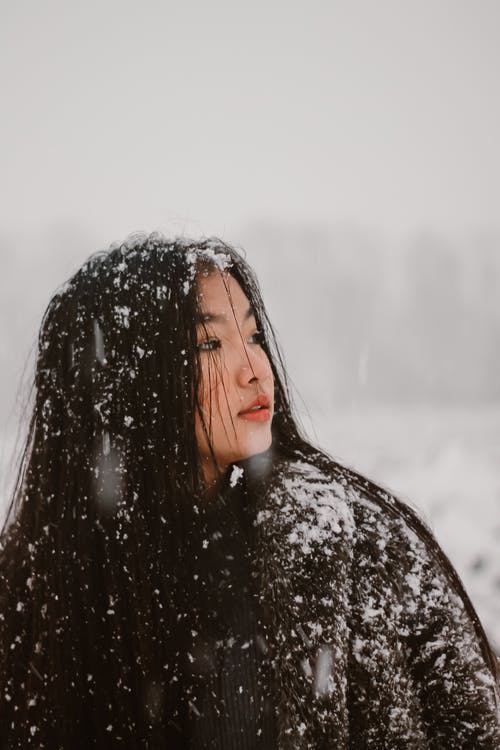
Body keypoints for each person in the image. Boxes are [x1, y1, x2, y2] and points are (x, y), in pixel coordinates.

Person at [0, 233, 498, 749]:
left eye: (255, 337)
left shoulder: (357, 547)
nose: (254, 368)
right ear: (128, 381)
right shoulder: (41, 598)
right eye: (210, 344)